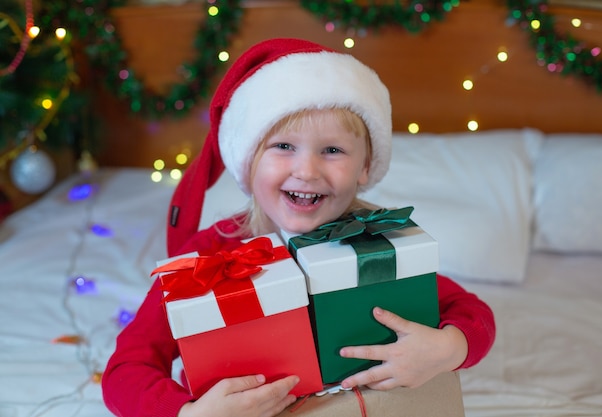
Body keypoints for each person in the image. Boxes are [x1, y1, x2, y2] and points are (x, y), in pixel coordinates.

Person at [102, 38, 496, 417]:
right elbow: (125, 372)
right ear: (247, 159)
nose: (307, 171)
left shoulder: (379, 246)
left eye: (332, 150)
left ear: (363, 167)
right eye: (283, 147)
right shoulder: (209, 257)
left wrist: (449, 347)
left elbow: (472, 313)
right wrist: (189, 413)